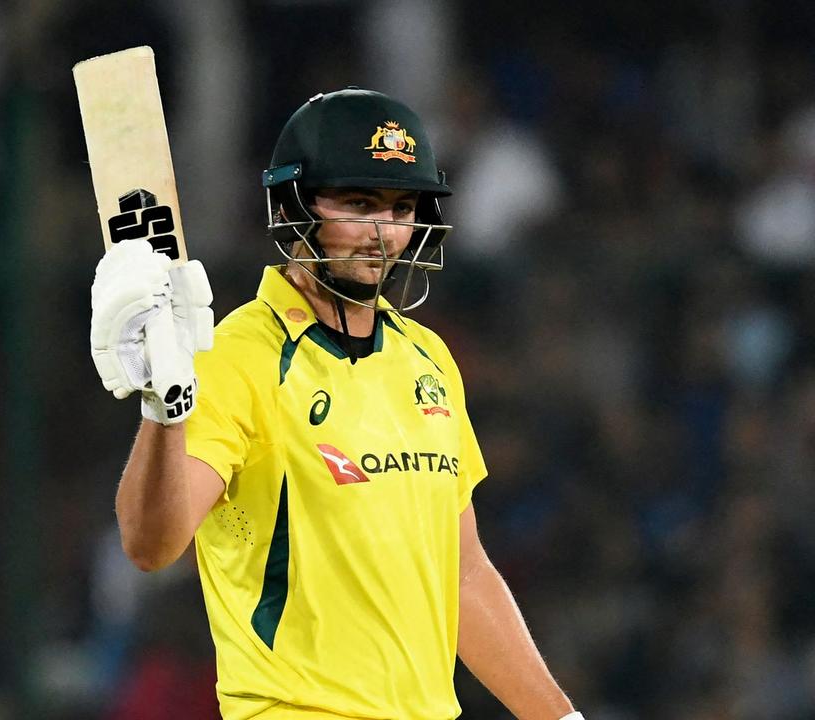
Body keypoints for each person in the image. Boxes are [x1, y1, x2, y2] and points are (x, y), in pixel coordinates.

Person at [90, 88, 583, 720]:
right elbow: (150, 546)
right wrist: (164, 409)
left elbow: (460, 575)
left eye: (402, 208)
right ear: (295, 206)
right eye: (359, 203)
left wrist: (562, 718)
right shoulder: (238, 357)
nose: (385, 233)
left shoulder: (427, 358)